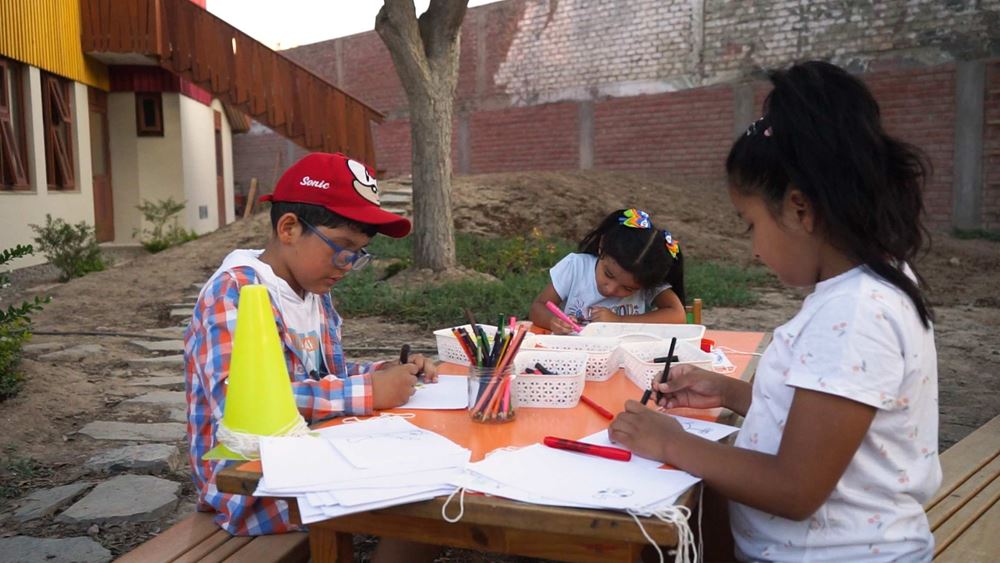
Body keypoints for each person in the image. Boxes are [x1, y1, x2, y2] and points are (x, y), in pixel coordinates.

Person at [609, 61, 941, 561]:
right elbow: (831, 416)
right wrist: (732, 392)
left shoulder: (855, 314)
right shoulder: (872, 285)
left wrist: (673, 443)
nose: (754, 251)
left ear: (800, 209)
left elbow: (795, 489)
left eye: (751, 225)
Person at [184, 152, 438, 538]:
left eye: (358, 254)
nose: (348, 265)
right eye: (341, 247)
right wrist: (368, 393)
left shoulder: (312, 292)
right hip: (250, 487)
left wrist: (381, 373)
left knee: (426, 481)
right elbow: (241, 404)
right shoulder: (233, 291)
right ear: (289, 229)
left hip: (310, 457)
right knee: (415, 504)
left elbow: (325, 376)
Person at [529, 208, 686, 333]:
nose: (610, 288)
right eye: (608, 274)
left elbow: (677, 315)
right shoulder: (576, 267)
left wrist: (619, 321)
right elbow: (538, 307)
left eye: (628, 288)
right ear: (602, 245)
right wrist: (552, 321)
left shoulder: (645, 276)